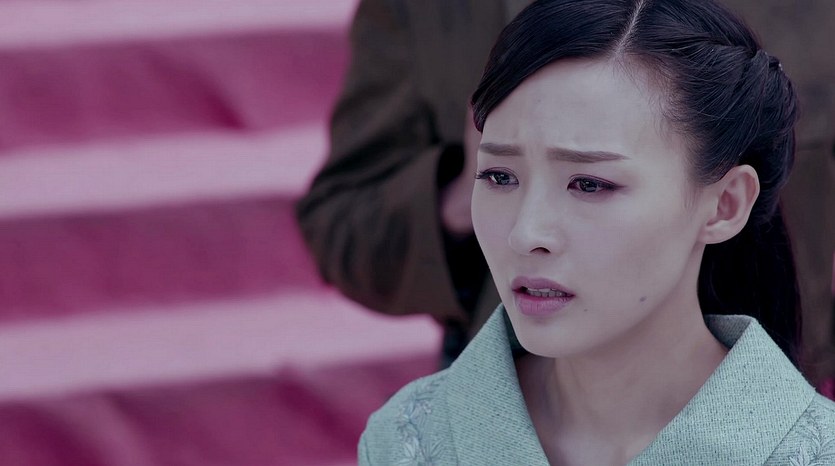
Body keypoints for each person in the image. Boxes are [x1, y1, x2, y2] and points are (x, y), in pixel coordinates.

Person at [358, 0, 835, 464]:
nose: (525, 233)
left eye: (589, 184)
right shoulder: (407, 441)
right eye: (499, 176)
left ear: (724, 204)